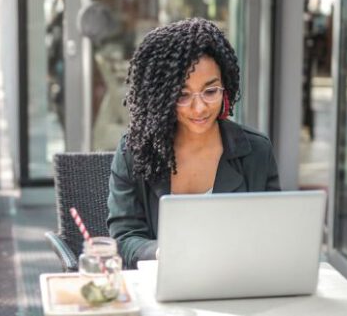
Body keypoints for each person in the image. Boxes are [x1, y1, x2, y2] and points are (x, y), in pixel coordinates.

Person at [107, 18, 280, 268]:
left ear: (226, 88)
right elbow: (124, 238)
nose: (199, 108)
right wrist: (161, 252)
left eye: (210, 92)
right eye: (182, 95)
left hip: (238, 283)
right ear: (161, 98)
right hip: (161, 288)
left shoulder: (256, 151)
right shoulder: (134, 151)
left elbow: (272, 234)